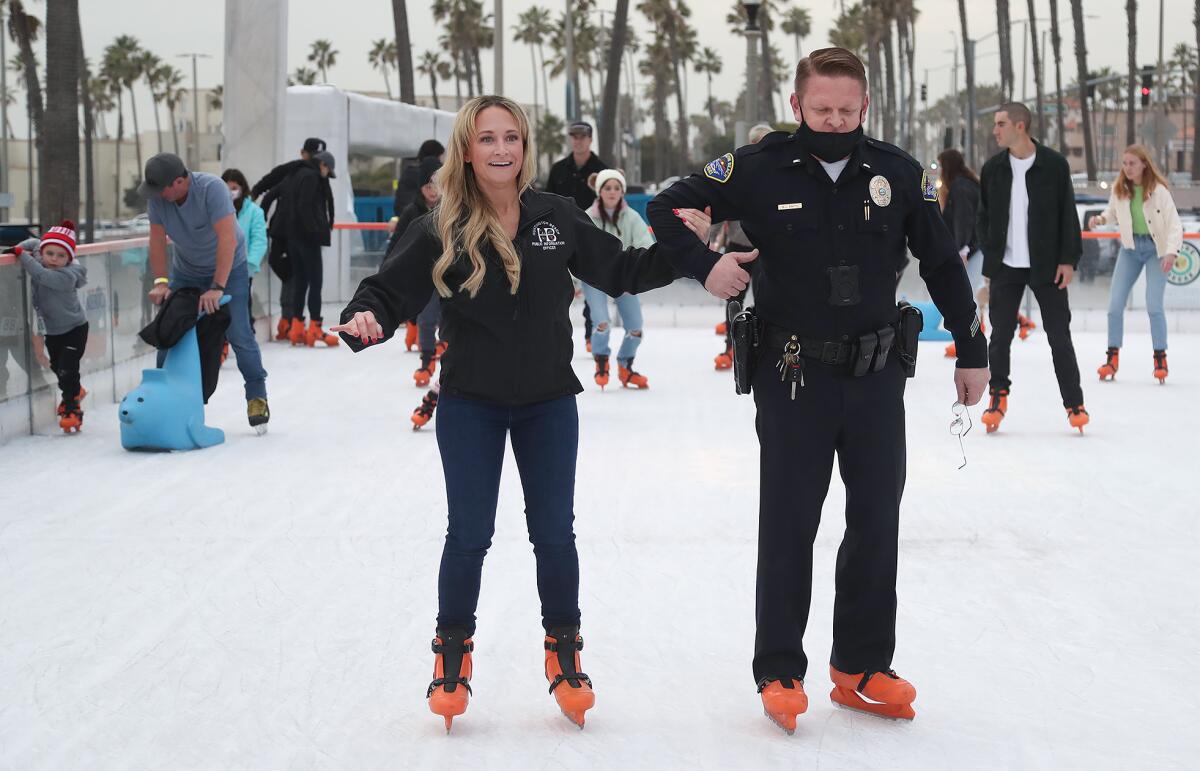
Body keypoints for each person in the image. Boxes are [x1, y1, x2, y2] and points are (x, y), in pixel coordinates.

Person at [333, 95, 733, 731]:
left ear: (524, 147)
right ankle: (452, 656)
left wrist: (688, 250)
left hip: (548, 402)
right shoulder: (441, 225)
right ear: (468, 148)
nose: (501, 149)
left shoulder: (557, 215)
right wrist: (368, 319)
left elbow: (622, 268)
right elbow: (388, 289)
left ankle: (564, 651)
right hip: (470, 404)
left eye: (512, 137)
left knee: (554, 534)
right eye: (488, 138)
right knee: (469, 535)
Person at [647, 47, 989, 732]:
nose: (834, 120)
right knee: (789, 524)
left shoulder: (897, 173)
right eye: (821, 108)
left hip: (874, 377)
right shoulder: (755, 168)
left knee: (875, 521)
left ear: (866, 106)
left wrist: (972, 347)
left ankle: (860, 667)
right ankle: (779, 669)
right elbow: (663, 208)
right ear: (798, 104)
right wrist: (705, 266)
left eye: (846, 109)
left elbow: (945, 262)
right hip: (792, 374)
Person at [976, 102, 1088, 434]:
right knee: (999, 337)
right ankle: (998, 396)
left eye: (1000, 123)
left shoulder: (1054, 165)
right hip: (1006, 266)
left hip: (1048, 266)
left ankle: (1074, 403)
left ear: (1020, 126)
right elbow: (984, 217)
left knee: (1059, 337)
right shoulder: (993, 168)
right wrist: (991, 253)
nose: (995, 130)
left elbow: (1068, 213)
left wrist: (1068, 259)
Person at [140, 152, 271, 431]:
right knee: (169, 329)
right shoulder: (158, 199)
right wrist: (161, 281)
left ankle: (257, 395)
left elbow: (227, 238)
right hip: (186, 271)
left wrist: (217, 286)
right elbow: (156, 241)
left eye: (161, 188)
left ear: (178, 181)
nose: (157, 195)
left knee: (238, 332)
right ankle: (163, 398)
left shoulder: (211, 189)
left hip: (230, 270)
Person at [1088, 145, 1182, 384]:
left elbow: (1174, 225)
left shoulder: (1159, 191)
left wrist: (1170, 253)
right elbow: (1111, 213)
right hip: (1130, 250)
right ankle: (1112, 358)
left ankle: (1160, 358)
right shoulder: (1120, 189)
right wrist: (1100, 219)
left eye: (1132, 163)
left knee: (1153, 306)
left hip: (1156, 250)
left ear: (1144, 164)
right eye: (1125, 163)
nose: (1127, 168)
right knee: (1114, 305)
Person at [7, 220, 89, 432]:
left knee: (67, 367)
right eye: (50, 253)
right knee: (57, 367)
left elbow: (41, 275)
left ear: (69, 259)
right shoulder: (41, 256)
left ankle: (72, 408)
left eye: (61, 256)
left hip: (75, 328)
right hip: (53, 330)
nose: (54, 259)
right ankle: (75, 390)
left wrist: (21, 254)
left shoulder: (67, 276)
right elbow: (35, 242)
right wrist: (26, 247)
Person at [581, 168, 654, 389]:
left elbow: (646, 245)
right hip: (595, 278)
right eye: (607, 188)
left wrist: (639, 272)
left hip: (623, 278)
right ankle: (601, 361)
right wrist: (573, 282)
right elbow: (577, 251)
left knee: (635, 328)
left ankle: (625, 367)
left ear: (622, 191)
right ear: (599, 191)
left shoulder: (632, 217)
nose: (612, 192)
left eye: (616, 188)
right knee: (601, 322)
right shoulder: (587, 217)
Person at [710, 122, 773, 370]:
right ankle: (730, 345)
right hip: (738, 247)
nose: (760, 147)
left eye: (764, 142)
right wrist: (713, 239)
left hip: (768, 248)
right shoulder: (736, 174)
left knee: (765, 298)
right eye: (755, 142)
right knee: (733, 299)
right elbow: (717, 207)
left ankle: (763, 346)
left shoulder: (780, 175)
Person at [252, 138, 329, 341]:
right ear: (303, 153)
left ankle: (291, 321)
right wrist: (260, 224)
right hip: (287, 233)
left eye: (319, 158)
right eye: (312, 156)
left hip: (293, 233)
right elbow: (268, 188)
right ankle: (291, 321)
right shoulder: (294, 171)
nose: (315, 161)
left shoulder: (312, 175)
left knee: (297, 276)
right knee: (295, 276)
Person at [547, 121, 609, 351]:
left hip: (590, 236)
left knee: (592, 283)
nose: (577, 140)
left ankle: (592, 333)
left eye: (582, 136)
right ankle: (554, 332)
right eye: (573, 135)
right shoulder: (559, 169)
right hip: (560, 235)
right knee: (557, 285)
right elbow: (548, 201)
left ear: (590, 139)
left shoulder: (602, 170)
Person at [276, 150, 339, 348]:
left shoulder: (297, 174)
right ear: (323, 165)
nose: (327, 175)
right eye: (328, 171)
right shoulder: (311, 178)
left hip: (293, 238)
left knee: (300, 282)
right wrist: (315, 232)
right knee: (315, 283)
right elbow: (306, 207)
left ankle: (296, 327)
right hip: (307, 239)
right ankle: (315, 327)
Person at [220, 169, 267, 362]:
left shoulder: (254, 211)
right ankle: (220, 342)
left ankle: (245, 341)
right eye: (227, 188)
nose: (231, 191)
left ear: (242, 188)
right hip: (219, 268)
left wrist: (250, 264)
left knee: (242, 306)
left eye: (234, 188)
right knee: (219, 307)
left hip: (242, 268)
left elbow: (259, 240)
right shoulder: (216, 209)